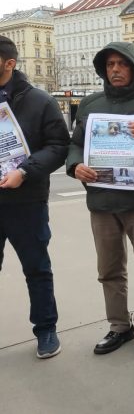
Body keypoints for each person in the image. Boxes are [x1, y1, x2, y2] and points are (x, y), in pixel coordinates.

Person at [66, 42, 134, 355]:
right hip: (102, 202)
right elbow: (75, 144)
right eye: (110, 64)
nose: (115, 70)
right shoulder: (89, 104)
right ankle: (119, 326)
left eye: (122, 64)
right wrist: (75, 166)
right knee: (109, 270)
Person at [0, 35, 70, 358]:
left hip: (25, 201)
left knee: (36, 268)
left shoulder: (40, 101)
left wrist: (25, 172)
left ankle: (46, 331)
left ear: (9, 64)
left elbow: (58, 146)